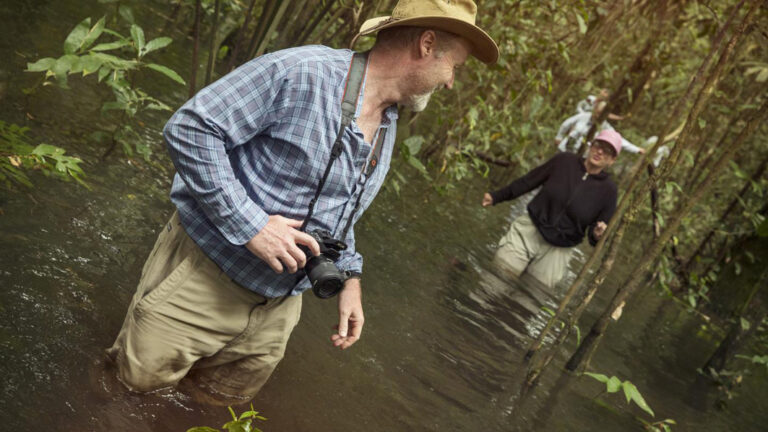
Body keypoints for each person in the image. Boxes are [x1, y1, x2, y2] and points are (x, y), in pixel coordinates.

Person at [106, 0, 499, 404]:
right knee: (123, 400)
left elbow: (337, 208)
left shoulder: (388, 120)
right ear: (427, 43)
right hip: (204, 278)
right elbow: (190, 128)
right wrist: (252, 226)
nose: (451, 82)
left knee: (206, 413)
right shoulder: (303, 71)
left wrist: (349, 278)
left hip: (277, 314)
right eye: (455, 65)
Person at [481, 129, 623, 288]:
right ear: (591, 146)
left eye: (607, 151)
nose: (600, 151)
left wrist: (598, 235)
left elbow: (596, 233)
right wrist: (497, 196)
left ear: (612, 160)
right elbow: (529, 181)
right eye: (598, 145)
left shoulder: (609, 191)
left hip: (559, 249)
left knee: (529, 301)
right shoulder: (564, 161)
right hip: (529, 231)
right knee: (494, 281)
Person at [556, 100, 643, 154]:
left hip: (580, 154)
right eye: (597, 112)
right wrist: (559, 136)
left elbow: (619, 140)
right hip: (564, 149)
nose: (598, 116)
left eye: (601, 114)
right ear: (595, 110)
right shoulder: (584, 116)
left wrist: (637, 149)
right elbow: (566, 124)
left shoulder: (605, 127)